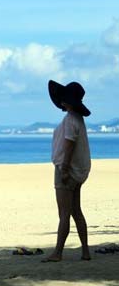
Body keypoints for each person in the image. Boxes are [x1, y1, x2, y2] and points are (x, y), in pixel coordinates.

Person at [43, 80, 91, 262]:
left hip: (67, 170)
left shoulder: (71, 120)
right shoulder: (77, 119)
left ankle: (58, 252)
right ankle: (85, 251)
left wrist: (64, 169)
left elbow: (69, 146)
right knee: (76, 211)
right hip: (78, 171)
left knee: (64, 213)